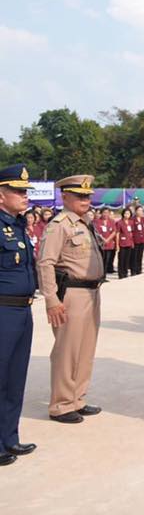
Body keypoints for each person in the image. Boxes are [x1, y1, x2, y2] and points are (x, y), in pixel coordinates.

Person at [37, 174, 105, 424]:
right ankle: (61, 404)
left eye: (88, 195)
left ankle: (78, 398)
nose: (86, 200)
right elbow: (45, 262)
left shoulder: (86, 222)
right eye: (80, 196)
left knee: (86, 349)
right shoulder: (60, 224)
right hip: (72, 294)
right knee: (67, 350)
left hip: (92, 292)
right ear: (65, 197)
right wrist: (51, 299)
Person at [0, 164, 38, 465]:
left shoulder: (21, 225)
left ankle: (9, 438)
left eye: (26, 191)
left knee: (15, 378)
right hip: (2, 311)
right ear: (1, 195)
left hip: (23, 309)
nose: (25, 196)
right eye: (18, 191)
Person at [94, 208, 117, 275]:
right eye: (104, 212)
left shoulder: (112, 221)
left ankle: (104, 275)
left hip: (109, 244)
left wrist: (108, 239)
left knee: (107, 260)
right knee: (101, 261)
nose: (106, 214)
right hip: (101, 244)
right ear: (101, 213)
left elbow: (114, 231)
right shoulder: (97, 221)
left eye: (107, 212)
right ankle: (99, 275)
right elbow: (97, 232)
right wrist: (103, 239)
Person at [116, 208, 135, 278]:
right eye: (125, 213)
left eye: (128, 213)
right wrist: (117, 245)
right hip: (122, 243)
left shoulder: (131, 222)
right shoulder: (119, 222)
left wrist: (132, 242)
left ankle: (125, 272)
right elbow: (117, 234)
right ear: (123, 214)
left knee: (127, 259)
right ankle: (121, 274)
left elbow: (131, 233)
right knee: (121, 259)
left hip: (129, 243)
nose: (127, 215)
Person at [131, 206, 144, 275]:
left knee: (140, 256)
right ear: (135, 211)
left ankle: (139, 269)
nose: (140, 212)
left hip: (142, 240)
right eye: (139, 210)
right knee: (134, 256)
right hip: (135, 240)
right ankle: (133, 270)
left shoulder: (143, 219)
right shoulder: (132, 220)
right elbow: (131, 231)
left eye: (141, 210)